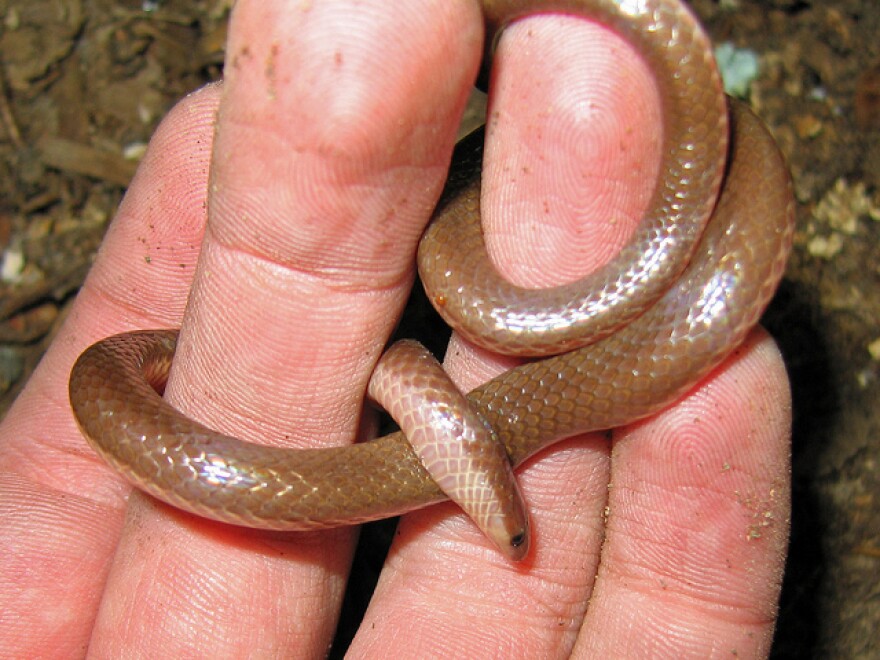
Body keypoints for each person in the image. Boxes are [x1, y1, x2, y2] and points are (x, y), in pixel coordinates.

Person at [0, 1, 790, 656]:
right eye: (510, 538)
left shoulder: (467, 412)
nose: (514, 548)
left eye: (516, 539)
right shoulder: (461, 420)